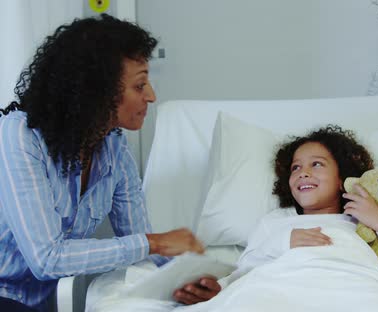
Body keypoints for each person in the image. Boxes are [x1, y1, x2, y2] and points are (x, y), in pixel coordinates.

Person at [0, 14, 219, 311]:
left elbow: (138, 239)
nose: (152, 96)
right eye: (140, 86)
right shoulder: (19, 136)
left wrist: (188, 277)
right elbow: (47, 259)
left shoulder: (114, 149)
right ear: (96, 91)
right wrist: (155, 242)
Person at [203, 126, 378, 302]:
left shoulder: (361, 221)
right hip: (285, 291)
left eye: (317, 164)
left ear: (344, 178)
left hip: (356, 289)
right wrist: (283, 242)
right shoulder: (277, 222)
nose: (303, 173)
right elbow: (244, 271)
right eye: (296, 167)